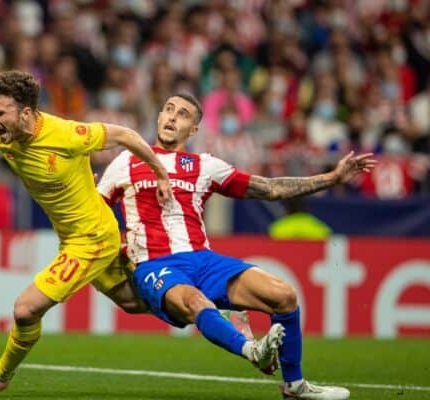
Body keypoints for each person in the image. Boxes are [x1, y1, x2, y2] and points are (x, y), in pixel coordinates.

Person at [0, 70, 173, 398]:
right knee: (133, 302)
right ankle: (204, 304)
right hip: (77, 236)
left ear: (26, 113)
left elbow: (126, 135)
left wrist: (160, 173)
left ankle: (0, 375)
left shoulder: (67, 134)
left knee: (25, 309)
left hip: (93, 239)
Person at [97, 93, 376, 400]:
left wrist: (332, 177)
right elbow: (94, 211)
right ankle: (251, 350)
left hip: (203, 261)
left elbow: (269, 188)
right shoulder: (126, 161)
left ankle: (294, 386)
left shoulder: (205, 165)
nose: (173, 117)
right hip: (154, 264)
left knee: (284, 296)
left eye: (184, 114)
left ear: (193, 130)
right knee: (196, 303)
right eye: (168, 110)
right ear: (159, 117)